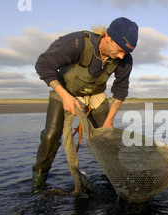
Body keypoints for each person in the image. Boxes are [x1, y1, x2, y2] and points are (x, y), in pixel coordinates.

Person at [32, 17, 139, 188]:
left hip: (95, 96)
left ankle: (116, 182)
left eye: (126, 53)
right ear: (108, 37)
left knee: (108, 140)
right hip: (65, 91)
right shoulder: (76, 43)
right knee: (50, 136)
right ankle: (38, 182)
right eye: (119, 50)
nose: (121, 56)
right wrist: (65, 96)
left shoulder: (124, 59)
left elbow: (120, 91)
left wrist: (109, 122)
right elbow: (43, 65)